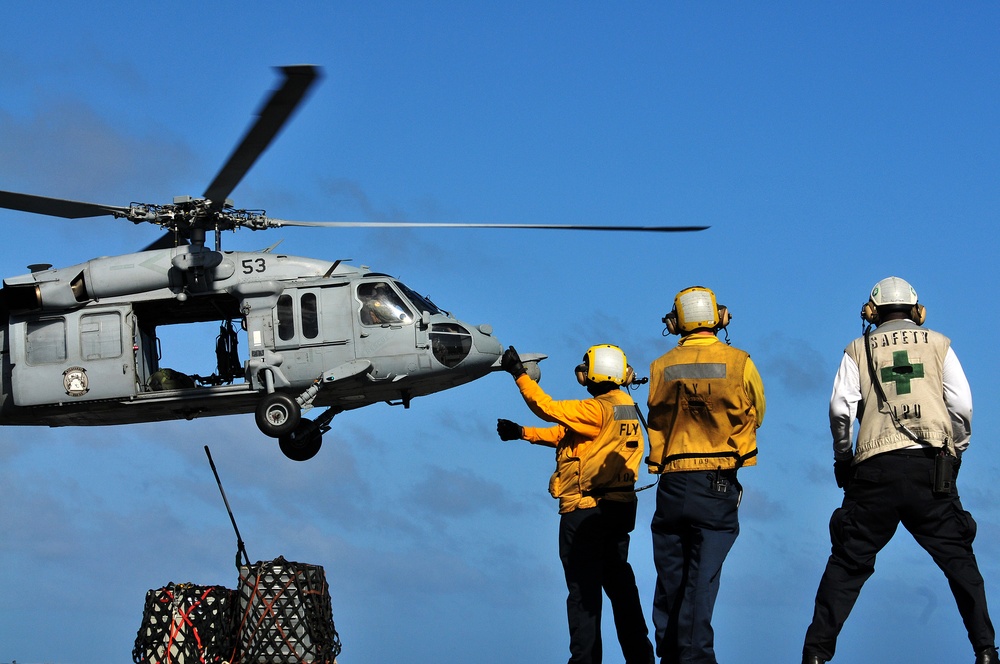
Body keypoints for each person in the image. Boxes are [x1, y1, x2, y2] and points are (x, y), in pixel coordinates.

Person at [801, 276, 998, 664]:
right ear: (917, 311)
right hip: (932, 471)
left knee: (847, 564)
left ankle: (815, 656)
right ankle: (987, 651)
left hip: (874, 472)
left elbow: (841, 409)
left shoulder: (858, 348)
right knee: (960, 563)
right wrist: (954, 453)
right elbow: (962, 406)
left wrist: (844, 459)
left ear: (871, 313)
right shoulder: (940, 345)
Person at [496, 344, 655, 664]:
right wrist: (524, 433)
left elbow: (547, 408)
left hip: (585, 512)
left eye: (586, 367)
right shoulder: (623, 406)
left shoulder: (595, 409)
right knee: (621, 586)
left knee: (583, 595)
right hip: (619, 509)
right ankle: (641, 658)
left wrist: (519, 375)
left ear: (595, 374)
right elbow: (569, 435)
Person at [645, 286, 765, 664]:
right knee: (702, 581)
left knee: (670, 581)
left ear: (676, 322)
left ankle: (668, 656)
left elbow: (657, 415)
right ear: (719, 318)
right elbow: (756, 412)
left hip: (672, 482)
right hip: (716, 483)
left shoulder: (660, 366)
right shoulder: (740, 361)